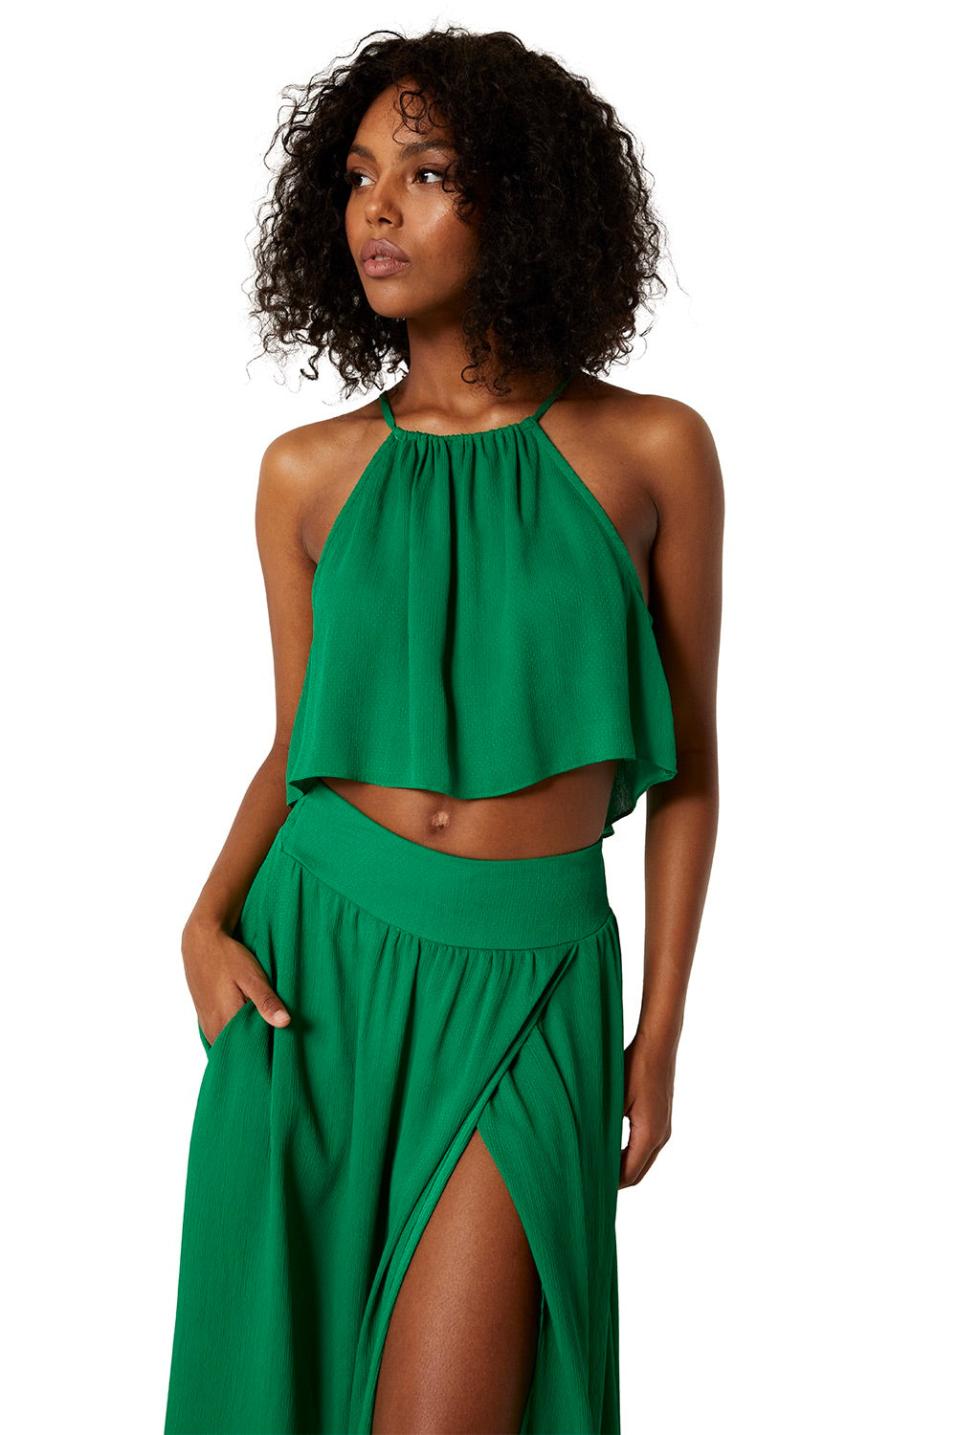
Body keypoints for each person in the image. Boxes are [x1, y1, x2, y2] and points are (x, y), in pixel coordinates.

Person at [164, 24, 723, 1435]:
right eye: (358, 177)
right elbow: (299, 744)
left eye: (424, 172)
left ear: (522, 198)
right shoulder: (307, 474)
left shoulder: (652, 450)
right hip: (316, 968)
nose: (378, 210)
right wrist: (203, 922)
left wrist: (658, 1035)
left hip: (528, 977)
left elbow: (691, 772)